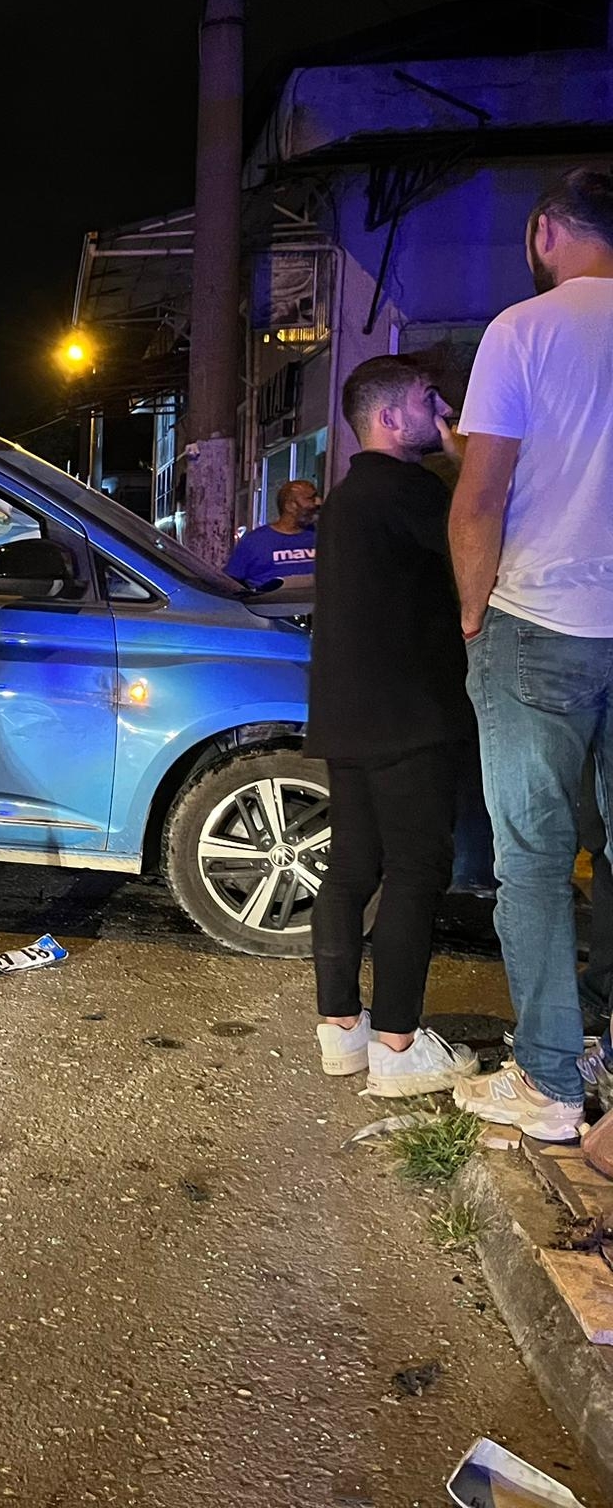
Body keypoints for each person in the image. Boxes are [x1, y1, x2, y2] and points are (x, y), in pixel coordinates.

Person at [450, 167, 613, 1141]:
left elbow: (479, 495)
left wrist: (474, 612)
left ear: (547, 230)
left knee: (534, 861)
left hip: (538, 620)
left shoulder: (522, 330)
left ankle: (548, 1084)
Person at [311, 356, 480, 1094]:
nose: (441, 408)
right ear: (388, 418)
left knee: (352, 869)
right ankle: (398, 1042)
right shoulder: (412, 490)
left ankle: (341, 1029)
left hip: (347, 714)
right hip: (412, 712)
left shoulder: (346, 497)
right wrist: (465, 461)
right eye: (426, 399)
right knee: (416, 871)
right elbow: (476, 551)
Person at [224, 477, 318, 584]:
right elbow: (230, 582)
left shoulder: (321, 538)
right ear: (290, 506)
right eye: (311, 499)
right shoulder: (255, 541)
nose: (317, 503)